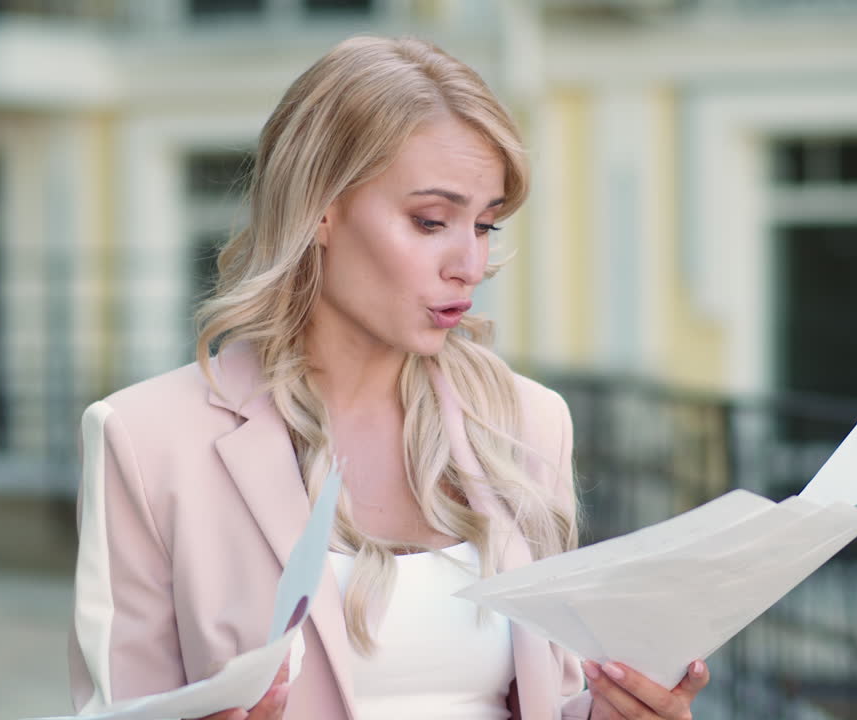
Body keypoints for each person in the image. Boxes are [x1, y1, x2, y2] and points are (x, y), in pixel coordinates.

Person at [68, 35, 709, 720]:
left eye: (485, 224)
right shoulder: (143, 441)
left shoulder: (527, 421)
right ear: (320, 209)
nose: (469, 262)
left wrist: (618, 715)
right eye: (431, 220)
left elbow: (548, 699)